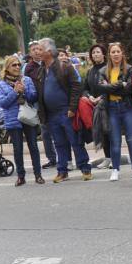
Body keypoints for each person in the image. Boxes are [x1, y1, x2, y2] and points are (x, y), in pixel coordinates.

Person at [34, 38, 93, 183]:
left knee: (75, 141)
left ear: (49, 51)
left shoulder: (64, 67)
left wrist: (72, 108)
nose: (37, 52)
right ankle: (62, 171)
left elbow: (76, 87)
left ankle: (85, 169)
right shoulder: (41, 70)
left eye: (40, 49)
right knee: (59, 143)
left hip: (66, 112)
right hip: (51, 115)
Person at [0, 55, 43, 186]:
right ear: (7, 68)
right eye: (14, 65)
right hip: (13, 120)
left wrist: (25, 90)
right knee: (17, 149)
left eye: (18, 65)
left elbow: (34, 97)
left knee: (33, 147)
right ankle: (21, 177)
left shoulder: (26, 80)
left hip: (28, 117)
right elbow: (2, 103)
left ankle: (38, 175)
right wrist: (15, 92)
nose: (17, 67)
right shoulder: (1, 84)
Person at [98, 42, 132, 181]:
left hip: (127, 107)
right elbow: (101, 88)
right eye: (113, 52)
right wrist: (119, 85)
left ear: (122, 53)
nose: (116, 54)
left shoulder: (129, 69)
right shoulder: (103, 71)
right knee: (115, 142)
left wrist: (110, 87)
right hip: (112, 108)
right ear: (109, 55)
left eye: (118, 51)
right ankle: (115, 169)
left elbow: (128, 89)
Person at [24, 41, 57, 168]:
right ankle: (51, 158)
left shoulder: (48, 63)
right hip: (39, 103)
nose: (37, 51)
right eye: (34, 50)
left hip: (52, 100)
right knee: (45, 130)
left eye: (39, 49)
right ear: (30, 53)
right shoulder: (29, 68)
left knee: (57, 129)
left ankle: (63, 157)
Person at [82, 43, 111, 168]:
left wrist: (101, 97)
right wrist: (90, 97)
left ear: (103, 54)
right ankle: (108, 158)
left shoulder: (108, 68)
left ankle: (114, 157)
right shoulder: (90, 71)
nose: (95, 54)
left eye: (98, 52)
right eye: (93, 53)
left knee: (110, 132)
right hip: (95, 107)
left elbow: (112, 86)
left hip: (108, 104)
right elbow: (85, 89)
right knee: (103, 133)